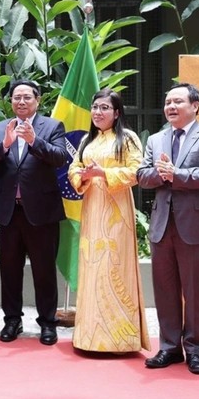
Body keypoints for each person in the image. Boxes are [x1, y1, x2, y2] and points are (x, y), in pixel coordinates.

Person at [137, 83, 199, 374]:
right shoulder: (157, 139)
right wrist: (161, 175)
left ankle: (196, 350)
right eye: (167, 102)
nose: (170, 107)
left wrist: (177, 174)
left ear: (195, 106)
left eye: (177, 101)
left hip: (196, 226)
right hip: (163, 225)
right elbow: (142, 175)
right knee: (165, 290)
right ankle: (169, 348)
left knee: (195, 291)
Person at [0, 79, 67, 346]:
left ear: (37, 100)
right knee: (10, 270)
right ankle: (12, 321)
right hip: (9, 213)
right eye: (16, 97)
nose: (21, 102)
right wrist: (4, 144)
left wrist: (34, 141)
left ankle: (48, 323)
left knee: (44, 271)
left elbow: (60, 157)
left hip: (42, 213)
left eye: (26, 97)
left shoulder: (52, 126)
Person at [67, 88, 150, 353]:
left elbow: (137, 170)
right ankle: (89, 336)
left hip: (117, 214)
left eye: (104, 108)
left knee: (114, 266)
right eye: (95, 107)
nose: (98, 113)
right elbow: (73, 169)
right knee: (92, 267)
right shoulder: (86, 142)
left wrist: (104, 173)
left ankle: (120, 339)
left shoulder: (127, 138)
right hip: (92, 211)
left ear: (116, 113)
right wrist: (83, 175)